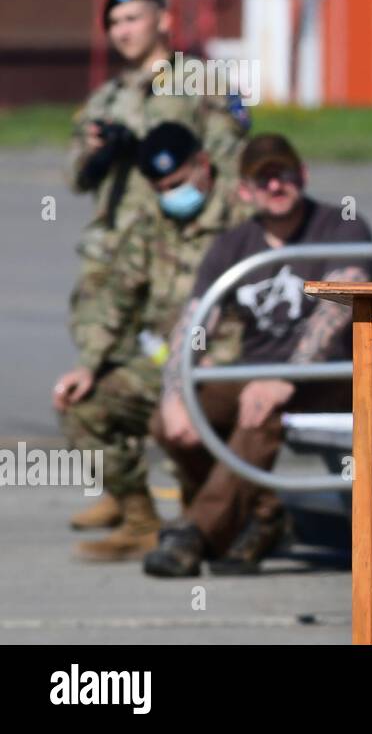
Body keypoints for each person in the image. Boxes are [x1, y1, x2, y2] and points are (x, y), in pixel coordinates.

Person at [143, 134, 372, 577]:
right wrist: (177, 392)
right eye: (262, 178)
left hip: (334, 376)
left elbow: (336, 312)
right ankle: (262, 515)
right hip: (257, 374)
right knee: (172, 421)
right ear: (244, 190)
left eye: (283, 174)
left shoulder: (341, 225)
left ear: (302, 175)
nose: (275, 185)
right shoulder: (234, 245)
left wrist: (285, 378)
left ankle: (194, 534)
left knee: (261, 413)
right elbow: (194, 324)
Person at [51, 122, 249, 560]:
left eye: (177, 184)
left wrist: (217, 364)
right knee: (84, 405)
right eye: (159, 188)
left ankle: (212, 517)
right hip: (165, 365)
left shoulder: (240, 219)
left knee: (188, 420)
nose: (170, 196)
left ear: (202, 164)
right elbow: (118, 295)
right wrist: (88, 363)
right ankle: (139, 520)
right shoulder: (153, 223)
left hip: (229, 365)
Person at [66, 0, 248, 373]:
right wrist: (96, 152)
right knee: (106, 368)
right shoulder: (105, 99)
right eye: (114, 23)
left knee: (186, 363)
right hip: (114, 249)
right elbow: (74, 177)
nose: (123, 31)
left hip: (178, 248)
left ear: (163, 20)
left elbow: (230, 161)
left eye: (133, 18)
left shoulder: (202, 81)